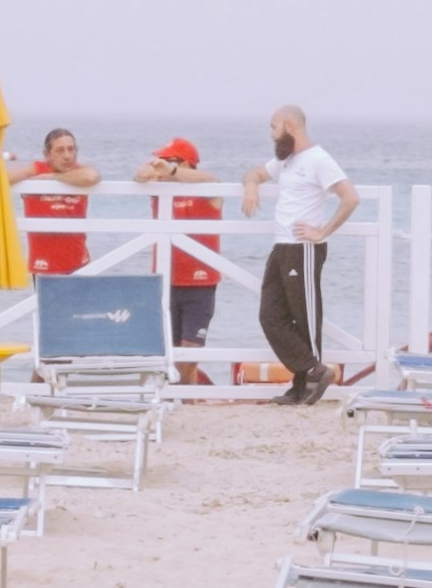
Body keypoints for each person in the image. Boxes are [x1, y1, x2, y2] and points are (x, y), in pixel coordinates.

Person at [244, 104, 354, 402]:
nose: (271, 134)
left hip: (303, 249)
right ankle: (312, 371)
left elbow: (349, 198)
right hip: (281, 247)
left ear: (289, 126)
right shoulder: (287, 161)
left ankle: (305, 384)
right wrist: (251, 187)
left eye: (273, 127)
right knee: (271, 317)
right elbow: (254, 173)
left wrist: (323, 231)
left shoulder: (318, 160)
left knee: (305, 317)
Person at [145, 136, 225, 354]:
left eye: (167, 160)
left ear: (185, 164)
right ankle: (176, 389)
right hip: (166, 280)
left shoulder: (207, 193)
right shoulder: (159, 191)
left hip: (200, 282)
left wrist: (171, 173)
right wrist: (148, 173)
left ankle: (190, 387)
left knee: (190, 353)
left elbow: (213, 181)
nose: (160, 165)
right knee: (168, 353)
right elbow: (137, 177)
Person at [19, 129, 94, 276]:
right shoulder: (36, 170)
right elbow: (4, 178)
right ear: (47, 154)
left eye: (71, 149)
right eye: (60, 150)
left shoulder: (80, 172)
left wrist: (52, 178)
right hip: (44, 266)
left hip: (79, 263)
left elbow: (92, 177)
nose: (67, 156)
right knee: (43, 300)